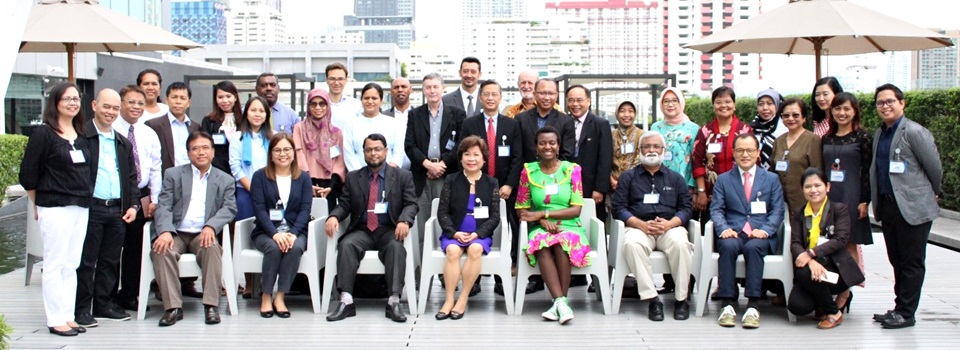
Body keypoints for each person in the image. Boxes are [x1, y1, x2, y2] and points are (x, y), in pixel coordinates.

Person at [19, 82, 93, 336]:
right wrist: (37, 203)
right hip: (55, 206)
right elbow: (28, 174)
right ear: (55, 103)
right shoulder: (44, 134)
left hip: (80, 206)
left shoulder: (81, 134)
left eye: (76, 99)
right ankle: (55, 319)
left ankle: (68, 315)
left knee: (72, 263)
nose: (73, 103)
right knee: (54, 264)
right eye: (67, 99)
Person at [324, 133, 418, 323]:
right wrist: (333, 215)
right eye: (369, 150)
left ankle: (393, 301)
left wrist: (404, 220)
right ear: (364, 153)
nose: (373, 153)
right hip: (362, 229)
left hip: (388, 228)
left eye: (377, 149)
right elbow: (345, 204)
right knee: (347, 245)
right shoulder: (353, 177)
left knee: (396, 247)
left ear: (386, 151)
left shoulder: (402, 176)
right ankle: (346, 301)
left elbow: (411, 204)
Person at [870, 84, 942, 329]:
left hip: (914, 207)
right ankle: (899, 307)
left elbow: (934, 167)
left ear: (902, 103)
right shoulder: (880, 133)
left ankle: (907, 313)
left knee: (911, 262)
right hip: (889, 207)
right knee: (896, 260)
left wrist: (934, 192)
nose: (885, 106)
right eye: (880, 102)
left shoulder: (914, 132)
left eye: (890, 101)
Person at [150, 131, 238, 327]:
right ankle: (173, 308)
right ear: (188, 153)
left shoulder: (225, 179)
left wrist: (211, 226)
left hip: (202, 233)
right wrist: (165, 231)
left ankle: (211, 306)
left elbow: (229, 208)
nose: (201, 152)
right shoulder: (173, 174)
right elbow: (163, 205)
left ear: (213, 152)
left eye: (205, 148)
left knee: (212, 248)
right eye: (195, 148)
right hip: (176, 233)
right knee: (161, 250)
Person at [611, 131, 694, 321]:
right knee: (631, 244)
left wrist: (670, 224)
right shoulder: (628, 177)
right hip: (639, 227)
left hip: (669, 227)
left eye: (656, 146)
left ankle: (681, 299)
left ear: (664, 151)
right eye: (646, 147)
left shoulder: (676, 178)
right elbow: (618, 208)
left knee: (682, 244)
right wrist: (640, 224)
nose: (651, 150)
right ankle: (652, 299)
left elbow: (686, 208)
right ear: (639, 151)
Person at [75, 89, 140, 327]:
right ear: (94, 105)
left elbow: (132, 178)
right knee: (86, 261)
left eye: (114, 108)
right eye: (106, 107)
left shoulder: (122, 142)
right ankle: (81, 308)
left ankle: (103, 304)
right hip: (90, 208)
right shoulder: (82, 137)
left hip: (117, 210)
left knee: (110, 261)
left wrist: (133, 205)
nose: (110, 112)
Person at [515, 126, 590, 325]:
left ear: (558, 147)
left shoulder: (572, 170)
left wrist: (543, 212)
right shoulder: (528, 171)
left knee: (561, 240)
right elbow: (521, 210)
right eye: (542, 143)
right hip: (540, 226)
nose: (547, 146)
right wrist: (540, 220)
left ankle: (558, 301)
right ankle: (561, 303)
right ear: (536, 148)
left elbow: (576, 209)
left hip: (570, 225)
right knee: (542, 241)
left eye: (552, 143)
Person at [710, 134, 785, 329]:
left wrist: (766, 230)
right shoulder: (724, 179)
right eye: (740, 150)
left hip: (760, 233)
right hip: (733, 232)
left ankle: (753, 305)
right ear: (734, 153)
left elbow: (777, 210)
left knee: (754, 248)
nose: (745, 154)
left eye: (750, 150)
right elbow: (716, 209)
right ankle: (727, 303)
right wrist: (723, 228)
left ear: (758, 153)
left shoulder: (771, 179)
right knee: (726, 246)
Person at [458, 80, 524, 296]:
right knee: (474, 228)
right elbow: (465, 155)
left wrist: (509, 185)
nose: (490, 98)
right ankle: (473, 279)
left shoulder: (511, 124)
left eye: (494, 94)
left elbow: (517, 158)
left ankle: (500, 277)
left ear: (500, 97)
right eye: (486, 94)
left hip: (505, 188)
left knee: (504, 232)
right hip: (477, 186)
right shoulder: (470, 124)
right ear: (480, 97)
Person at [515, 78, 576, 294]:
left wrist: (549, 170)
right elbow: (518, 153)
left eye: (551, 93)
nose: (546, 97)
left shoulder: (566, 121)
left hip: (557, 183)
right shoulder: (521, 119)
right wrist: (534, 172)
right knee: (537, 235)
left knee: (559, 242)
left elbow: (567, 153)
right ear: (534, 93)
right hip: (530, 185)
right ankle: (540, 282)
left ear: (557, 95)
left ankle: (559, 297)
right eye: (542, 92)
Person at [787, 168, 865, 329]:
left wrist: (811, 253)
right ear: (802, 190)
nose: (813, 190)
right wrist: (811, 262)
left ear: (827, 187)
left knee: (803, 272)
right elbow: (795, 243)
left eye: (818, 185)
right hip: (811, 270)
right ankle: (823, 301)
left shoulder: (839, 210)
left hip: (836, 270)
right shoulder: (799, 213)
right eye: (808, 187)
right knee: (797, 306)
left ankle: (833, 312)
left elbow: (840, 239)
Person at [435, 136, 501, 320]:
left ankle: (462, 298)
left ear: (484, 159)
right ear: (461, 158)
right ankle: (449, 300)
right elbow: (442, 212)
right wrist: (453, 233)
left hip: (479, 235)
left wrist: (477, 234)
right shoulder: (451, 180)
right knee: (453, 251)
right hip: (454, 233)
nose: (471, 159)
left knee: (475, 249)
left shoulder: (492, 183)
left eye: (476, 155)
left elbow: (495, 216)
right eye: (467, 154)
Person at [406, 73, 466, 269]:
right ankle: (423, 270)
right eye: (428, 87)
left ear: (443, 88)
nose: (432, 90)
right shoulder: (415, 114)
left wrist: (441, 165)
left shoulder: (457, 114)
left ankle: (446, 270)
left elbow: (460, 145)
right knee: (423, 224)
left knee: (446, 222)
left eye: (435, 87)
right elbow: (410, 145)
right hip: (422, 175)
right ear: (423, 90)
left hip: (446, 175)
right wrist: (427, 164)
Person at [112, 85, 164, 312]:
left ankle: (129, 294)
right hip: (116, 196)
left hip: (142, 196)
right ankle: (107, 295)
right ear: (121, 103)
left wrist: (155, 198)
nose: (136, 107)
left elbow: (155, 168)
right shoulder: (110, 129)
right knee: (112, 249)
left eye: (140, 103)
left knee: (135, 248)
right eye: (131, 102)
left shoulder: (148, 132)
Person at [250, 133, 313, 318]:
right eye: (277, 150)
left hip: (296, 230)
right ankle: (266, 296)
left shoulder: (303, 178)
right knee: (273, 248)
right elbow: (259, 210)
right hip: (266, 231)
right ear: (271, 154)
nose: (282, 154)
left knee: (294, 249)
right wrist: (275, 234)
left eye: (287, 149)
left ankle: (280, 296)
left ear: (294, 153)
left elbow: (305, 209)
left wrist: (293, 233)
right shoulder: (260, 176)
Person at [822, 92, 873, 308]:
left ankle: (845, 293)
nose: (842, 113)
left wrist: (864, 200)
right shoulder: (826, 138)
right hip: (829, 197)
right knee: (828, 242)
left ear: (855, 112)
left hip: (852, 197)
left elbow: (868, 172)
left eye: (846, 109)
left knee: (849, 242)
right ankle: (831, 288)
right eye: (837, 109)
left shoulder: (863, 137)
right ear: (831, 112)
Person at [649, 87, 700, 295]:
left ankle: (686, 282)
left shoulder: (693, 128)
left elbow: (696, 159)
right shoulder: (655, 127)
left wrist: (695, 188)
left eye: (674, 101)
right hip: (658, 187)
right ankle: (669, 281)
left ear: (681, 103)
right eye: (666, 101)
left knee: (681, 233)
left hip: (684, 188)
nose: (670, 104)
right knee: (661, 229)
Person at [691, 87, 754, 219]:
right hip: (711, 195)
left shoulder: (745, 130)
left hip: (741, 192)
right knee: (711, 232)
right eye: (719, 102)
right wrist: (701, 191)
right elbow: (697, 162)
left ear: (734, 105)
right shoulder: (705, 131)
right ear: (713, 106)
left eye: (728, 101)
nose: (723, 105)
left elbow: (754, 162)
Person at [293, 88, 347, 211]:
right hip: (305, 182)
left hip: (329, 185)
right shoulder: (299, 128)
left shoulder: (336, 132)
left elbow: (339, 161)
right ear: (308, 106)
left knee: (327, 221)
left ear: (328, 106)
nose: (318, 107)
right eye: (313, 104)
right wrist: (308, 183)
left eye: (322, 103)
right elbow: (298, 154)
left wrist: (331, 187)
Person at [566, 85, 612, 221]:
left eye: (579, 100)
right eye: (571, 100)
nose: (575, 104)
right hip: (566, 184)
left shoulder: (600, 124)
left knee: (593, 223)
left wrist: (600, 188)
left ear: (588, 101)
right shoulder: (563, 122)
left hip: (591, 185)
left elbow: (605, 158)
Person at [772, 98, 823, 212]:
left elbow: (818, 170)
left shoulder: (812, 140)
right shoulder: (778, 141)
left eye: (795, 115)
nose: (790, 119)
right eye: (786, 115)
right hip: (781, 201)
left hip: (805, 200)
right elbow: (773, 171)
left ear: (804, 118)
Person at [229, 96, 274, 223]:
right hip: (245, 191)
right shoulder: (237, 137)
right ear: (246, 113)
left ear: (267, 115)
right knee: (245, 231)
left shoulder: (274, 137)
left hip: (270, 191)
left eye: (261, 111)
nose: (257, 114)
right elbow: (235, 168)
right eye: (253, 110)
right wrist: (254, 189)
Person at [342, 83, 405, 171]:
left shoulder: (393, 123)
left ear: (381, 101)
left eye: (374, 98)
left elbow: (399, 153)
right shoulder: (351, 123)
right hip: (358, 177)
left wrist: (386, 174)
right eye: (366, 98)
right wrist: (360, 175)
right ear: (361, 100)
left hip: (388, 177)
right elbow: (348, 153)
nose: (370, 101)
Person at [144, 82, 200, 173]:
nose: (178, 101)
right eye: (174, 97)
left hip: (191, 178)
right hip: (164, 180)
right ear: (167, 100)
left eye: (183, 98)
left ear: (189, 102)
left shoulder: (195, 127)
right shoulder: (153, 125)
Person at [201, 81, 242, 175]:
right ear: (215, 99)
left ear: (235, 97)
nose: (224, 101)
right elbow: (205, 147)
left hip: (241, 171)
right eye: (220, 97)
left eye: (228, 96)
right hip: (216, 171)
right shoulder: (209, 121)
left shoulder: (245, 120)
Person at [750, 88, 788, 170]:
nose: (765, 108)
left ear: (777, 106)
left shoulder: (785, 128)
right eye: (761, 104)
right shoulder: (751, 129)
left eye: (770, 103)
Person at [611, 101, 642, 191]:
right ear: (617, 113)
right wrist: (611, 179)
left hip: (635, 185)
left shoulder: (642, 135)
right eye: (622, 111)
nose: (626, 115)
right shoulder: (610, 135)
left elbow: (640, 161)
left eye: (630, 111)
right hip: (613, 185)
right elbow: (605, 160)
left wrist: (624, 181)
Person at [383, 77, 413, 169]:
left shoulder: (419, 115)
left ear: (410, 89)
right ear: (391, 91)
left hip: (416, 171)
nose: (400, 90)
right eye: (396, 87)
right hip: (390, 169)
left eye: (404, 87)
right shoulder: (383, 116)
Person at [326, 63, 363, 129]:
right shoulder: (319, 105)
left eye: (340, 79)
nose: (336, 83)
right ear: (326, 80)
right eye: (332, 79)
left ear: (346, 80)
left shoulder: (356, 105)